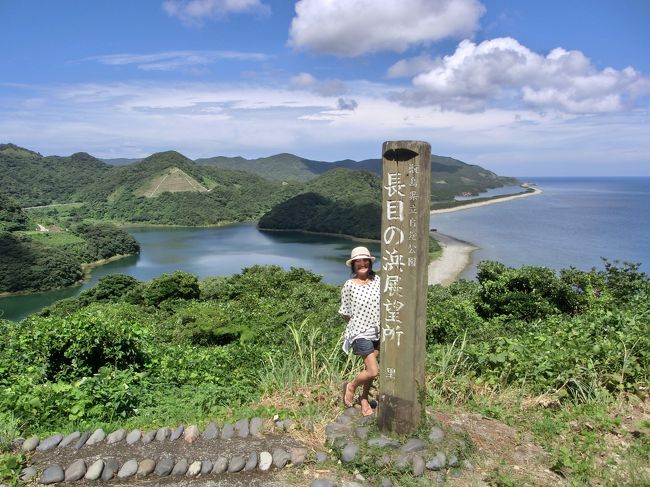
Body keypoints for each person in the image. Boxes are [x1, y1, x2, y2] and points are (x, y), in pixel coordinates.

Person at [338, 246, 380, 416]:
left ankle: (363, 399)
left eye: (365, 260)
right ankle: (352, 386)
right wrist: (358, 325)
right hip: (360, 333)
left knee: (370, 370)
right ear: (353, 265)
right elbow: (345, 312)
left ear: (370, 262)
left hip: (379, 331)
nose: (362, 264)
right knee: (373, 371)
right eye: (358, 261)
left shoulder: (378, 280)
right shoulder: (349, 285)